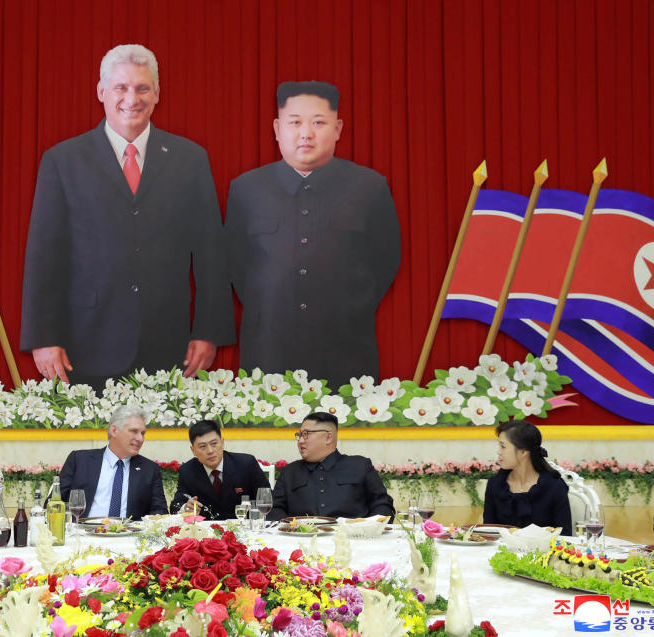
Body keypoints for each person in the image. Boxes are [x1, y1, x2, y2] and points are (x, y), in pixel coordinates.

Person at [21, 44, 234, 387]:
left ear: (157, 94)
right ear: (101, 91)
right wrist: (43, 337)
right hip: (85, 346)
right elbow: (45, 255)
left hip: (171, 346)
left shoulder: (190, 159)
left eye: (142, 88)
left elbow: (211, 254)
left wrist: (208, 332)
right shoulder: (63, 161)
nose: (131, 98)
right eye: (121, 87)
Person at [225, 81, 401, 386]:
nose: (306, 133)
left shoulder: (369, 188)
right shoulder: (246, 189)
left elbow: (385, 259)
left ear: (338, 128)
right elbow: (235, 262)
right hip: (269, 348)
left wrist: (348, 304)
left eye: (319, 122)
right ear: (278, 129)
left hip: (346, 347)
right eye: (295, 122)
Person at [268, 412, 393, 520]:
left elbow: (382, 504)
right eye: (299, 435)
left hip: (353, 541)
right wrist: (290, 529)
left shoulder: (360, 466)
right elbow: (274, 509)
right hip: (302, 541)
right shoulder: (289, 472)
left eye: (306, 434)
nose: (300, 441)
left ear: (328, 437)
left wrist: (369, 528)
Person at [58, 405, 167, 520]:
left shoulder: (149, 469)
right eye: (134, 431)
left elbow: (160, 511)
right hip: (83, 534)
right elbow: (54, 504)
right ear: (114, 430)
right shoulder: (79, 460)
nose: (140, 439)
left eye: (143, 433)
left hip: (129, 535)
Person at [483, 419, 572, 535]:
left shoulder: (554, 486)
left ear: (523, 451)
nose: (499, 452)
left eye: (503, 447)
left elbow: (565, 536)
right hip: (502, 552)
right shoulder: (495, 484)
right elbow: (489, 532)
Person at [169, 420, 271, 520]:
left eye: (214, 443)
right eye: (203, 446)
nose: (210, 451)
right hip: (207, 533)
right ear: (193, 450)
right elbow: (175, 506)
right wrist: (185, 508)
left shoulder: (246, 464)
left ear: (222, 443)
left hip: (246, 530)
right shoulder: (187, 471)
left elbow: (267, 498)